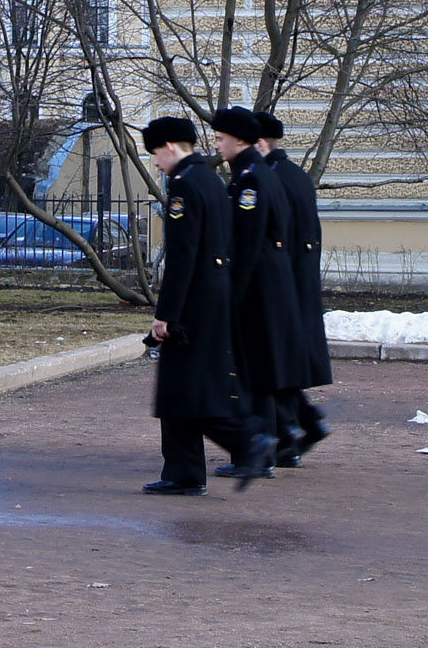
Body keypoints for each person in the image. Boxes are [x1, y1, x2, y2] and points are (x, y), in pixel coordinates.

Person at [140, 115, 266, 493]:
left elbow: (182, 256)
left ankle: (245, 444)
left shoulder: (183, 186)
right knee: (184, 386)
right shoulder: (212, 180)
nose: (157, 163)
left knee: (186, 388)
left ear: (171, 146)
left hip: (193, 301)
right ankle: (184, 471)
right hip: (213, 294)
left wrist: (165, 314)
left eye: (156, 154)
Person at [212, 105, 310, 478]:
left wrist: (232, 293)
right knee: (261, 371)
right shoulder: (256, 172)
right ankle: (269, 445)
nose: (217, 146)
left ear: (240, 140)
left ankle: (258, 451)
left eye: (221, 139)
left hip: (258, 289)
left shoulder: (251, 178)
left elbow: (248, 242)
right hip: (270, 286)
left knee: (250, 369)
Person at [255, 112, 330, 465]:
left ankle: (287, 431)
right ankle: (302, 425)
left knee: (269, 364)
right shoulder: (296, 176)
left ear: (260, 142)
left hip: (281, 285)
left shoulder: (268, 179)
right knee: (279, 364)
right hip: (300, 282)